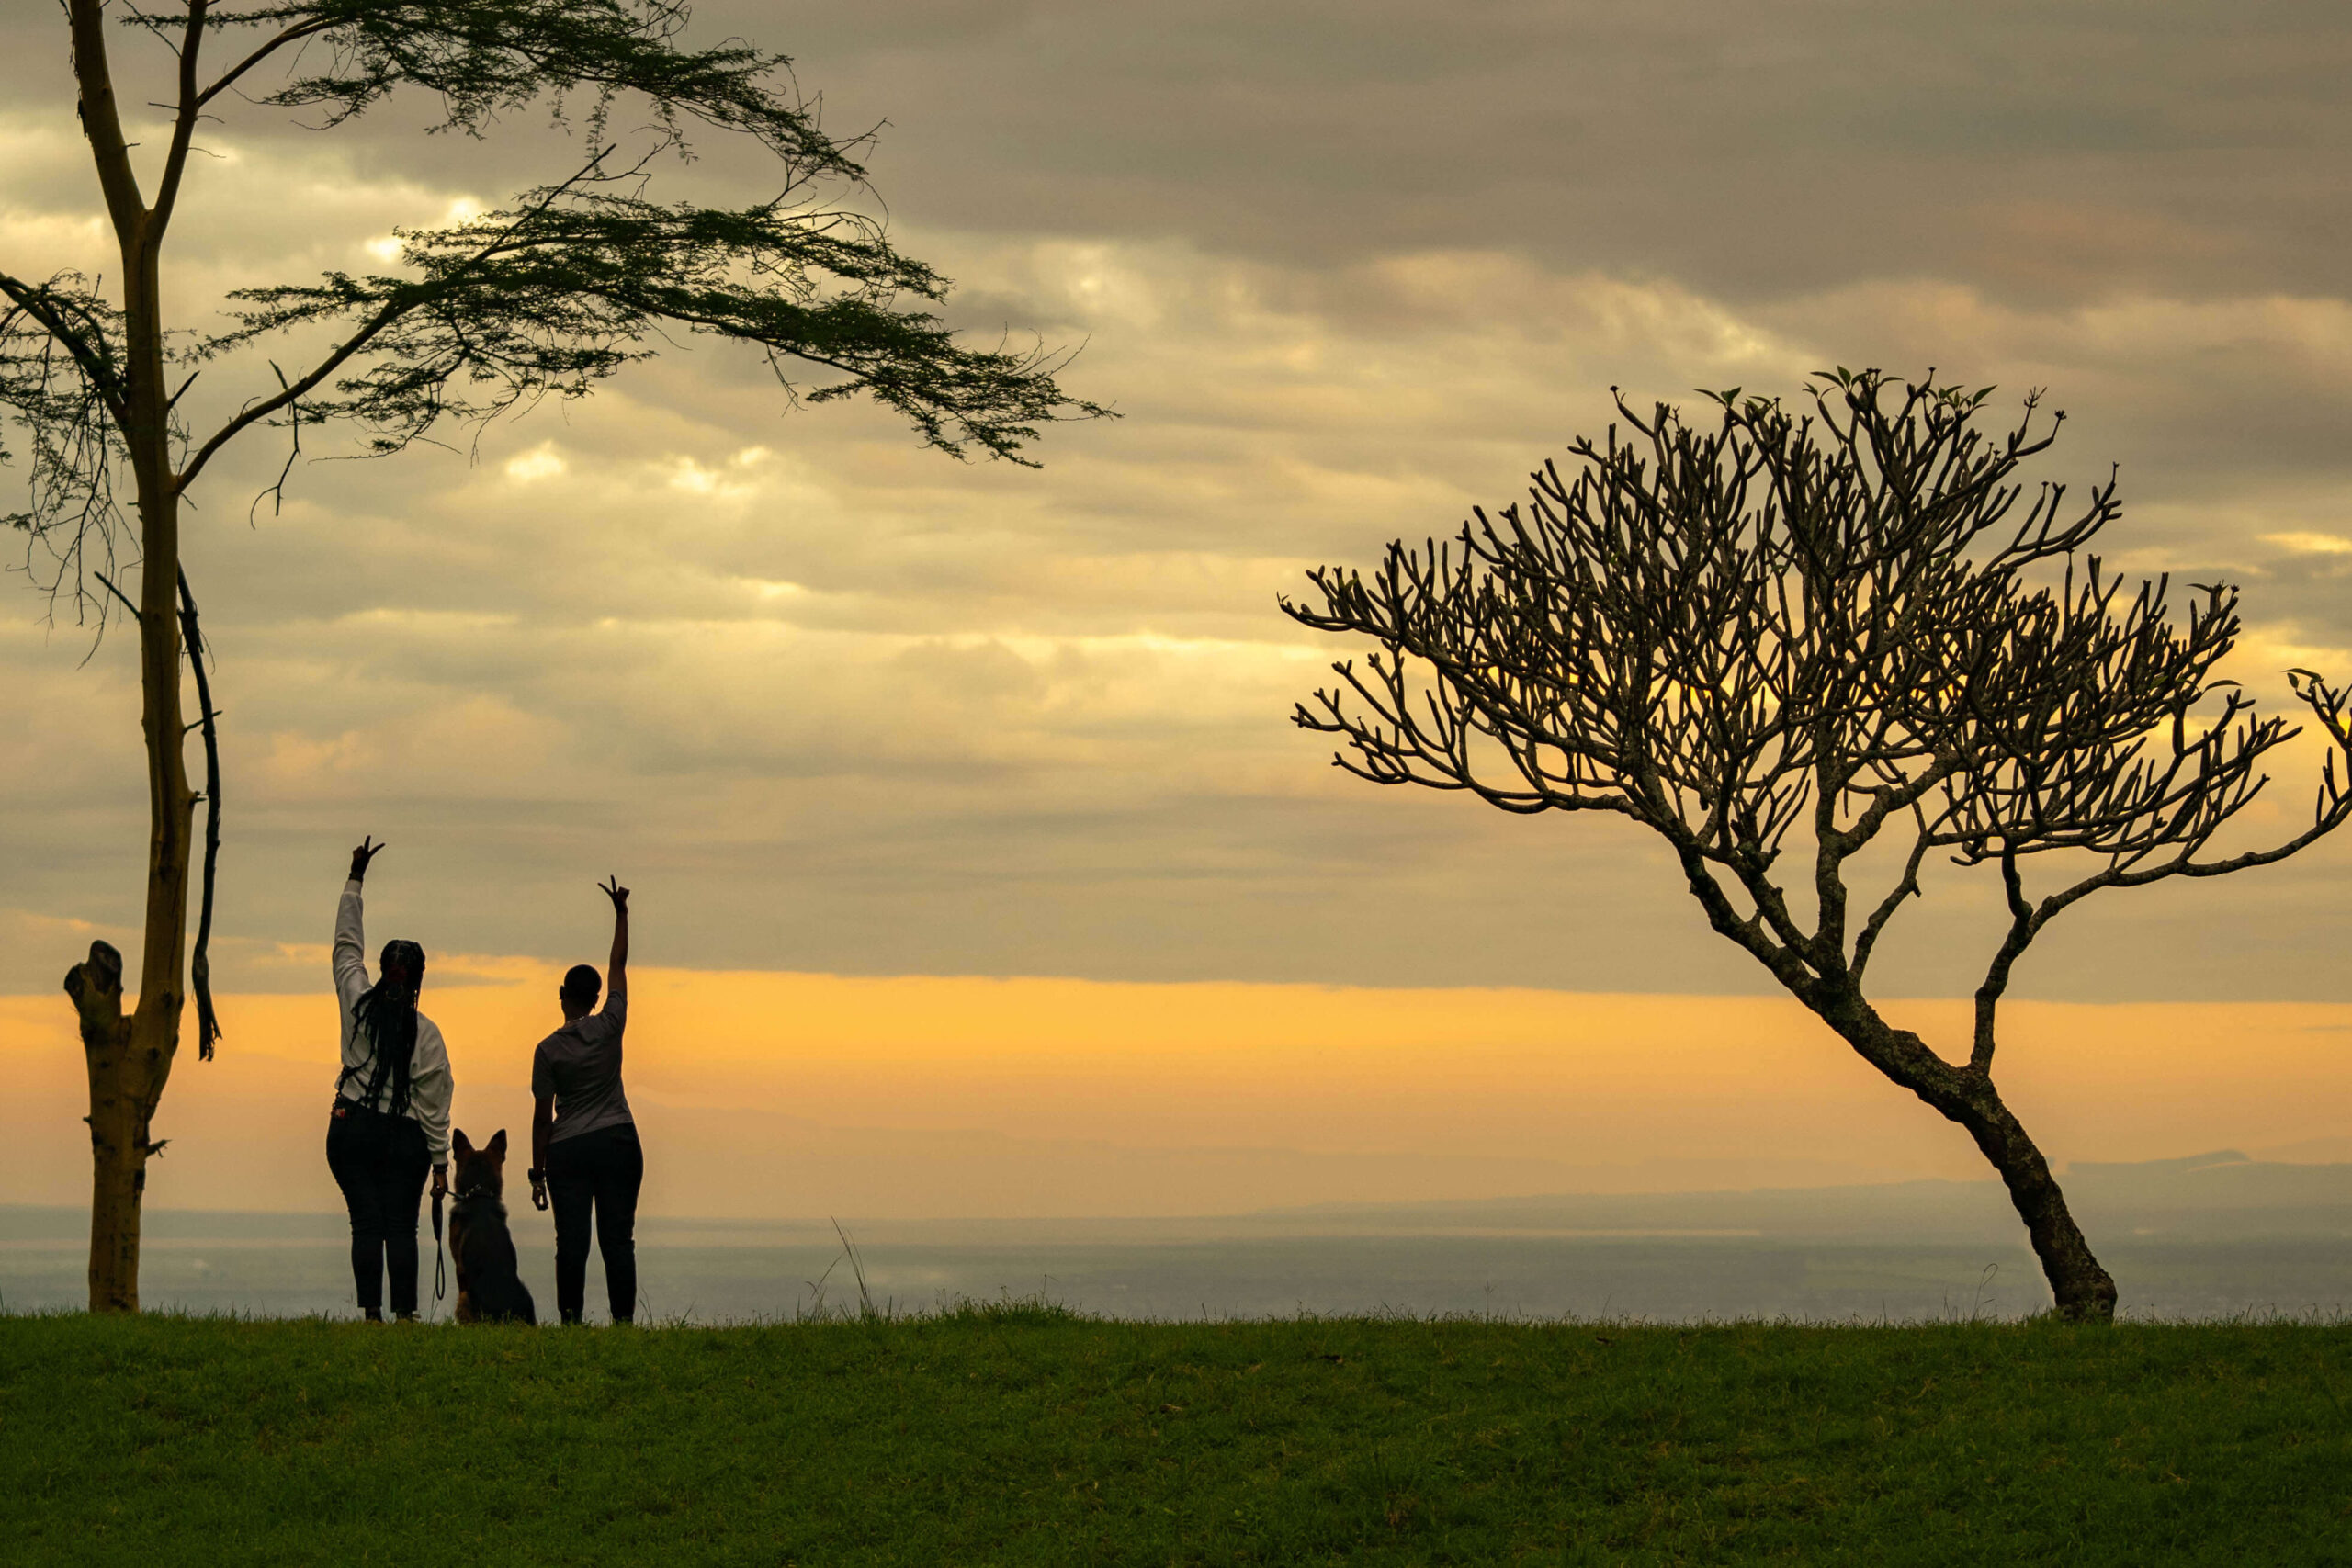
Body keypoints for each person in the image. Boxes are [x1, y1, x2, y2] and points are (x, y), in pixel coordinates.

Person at [327, 835, 454, 1322]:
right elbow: (434, 1106)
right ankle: (405, 1318)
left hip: (352, 1126)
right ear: (419, 979)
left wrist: (355, 879)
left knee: (365, 1224)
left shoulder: (357, 1003)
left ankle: (372, 1316)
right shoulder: (427, 1035)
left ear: (381, 971)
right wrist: (441, 1164)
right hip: (404, 1139)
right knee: (401, 1226)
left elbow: (345, 945)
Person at [529, 875, 640, 1325]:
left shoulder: (548, 1050)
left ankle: (571, 1322)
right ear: (596, 999)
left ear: (561, 996)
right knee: (618, 1239)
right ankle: (623, 1324)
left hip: (569, 1149)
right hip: (618, 1140)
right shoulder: (611, 1022)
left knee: (571, 1242)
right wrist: (621, 913)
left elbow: (542, 1120)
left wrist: (537, 1173)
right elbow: (618, 963)